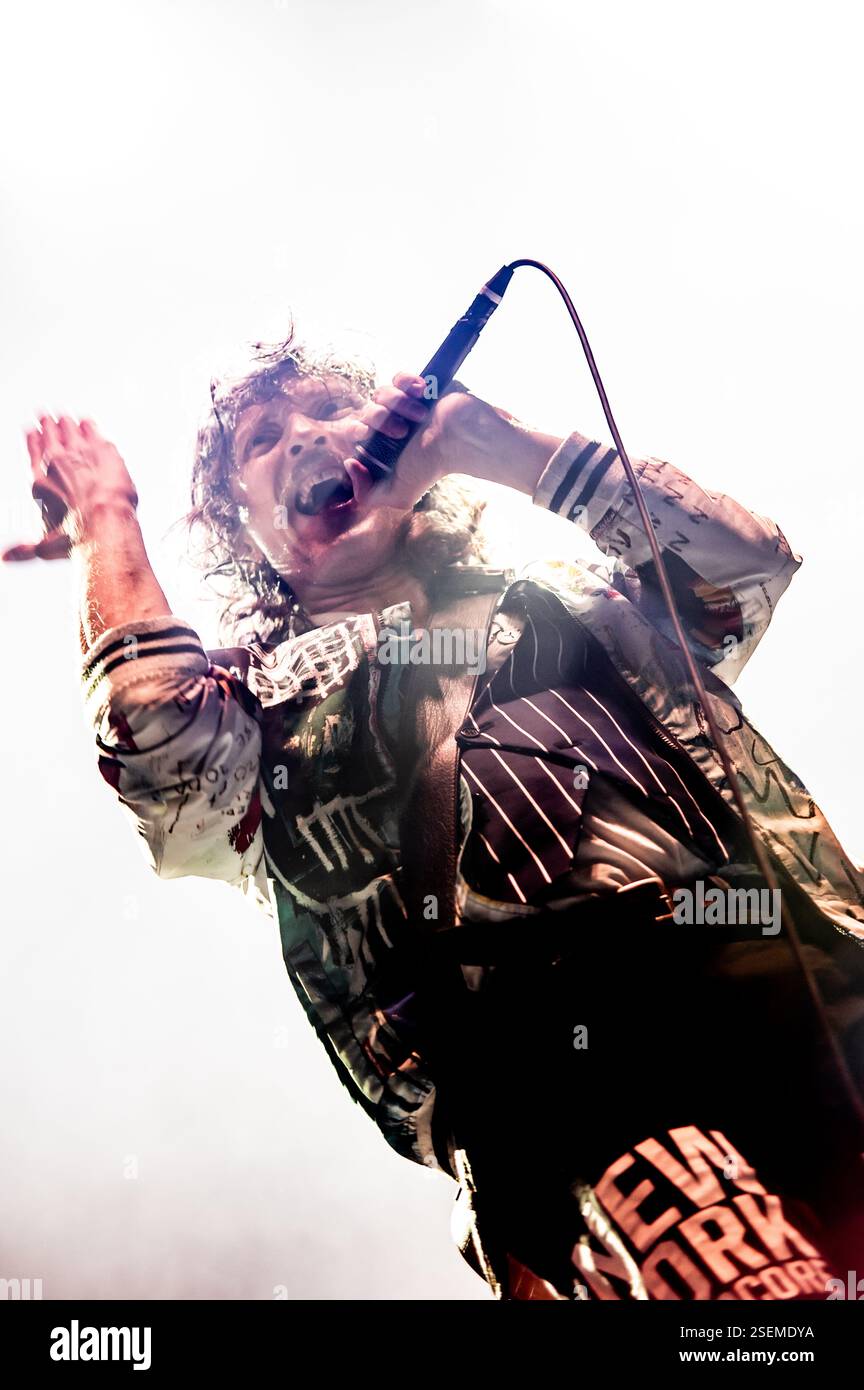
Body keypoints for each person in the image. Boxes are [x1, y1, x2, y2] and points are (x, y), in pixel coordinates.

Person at [7, 333, 864, 1301]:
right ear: (241, 526)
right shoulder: (265, 719)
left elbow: (741, 566)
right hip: (561, 1075)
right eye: (265, 439)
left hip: (806, 975)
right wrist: (106, 516)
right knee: (760, 1301)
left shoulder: (578, 600)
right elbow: (156, 744)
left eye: (333, 411)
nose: (305, 439)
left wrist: (485, 442)